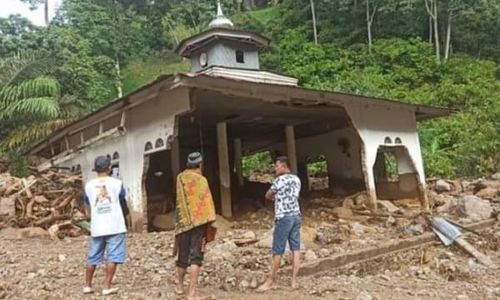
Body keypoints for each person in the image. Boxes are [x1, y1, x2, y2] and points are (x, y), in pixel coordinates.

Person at [83, 156, 128, 296]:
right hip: (115, 225)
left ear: (96, 169)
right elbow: (122, 197)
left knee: (93, 257)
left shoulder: (89, 185)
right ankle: (106, 286)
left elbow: (86, 201)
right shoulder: (117, 183)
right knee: (113, 257)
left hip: (97, 226)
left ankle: (87, 286)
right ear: (109, 168)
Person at [174, 152, 216, 300]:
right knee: (195, 258)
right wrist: (211, 222)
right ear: (200, 165)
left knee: (182, 256)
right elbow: (206, 202)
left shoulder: (180, 178)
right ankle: (192, 293)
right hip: (199, 224)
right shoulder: (202, 180)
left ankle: (179, 287)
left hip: (183, 223)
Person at [258, 156, 302, 292]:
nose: (275, 169)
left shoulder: (279, 180)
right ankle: (294, 281)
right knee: (296, 249)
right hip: (296, 215)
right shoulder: (297, 179)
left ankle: (270, 281)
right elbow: (296, 196)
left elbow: (268, 195)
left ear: (283, 166)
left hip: (283, 217)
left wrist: (275, 198)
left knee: (278, 250)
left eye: (277, 166)